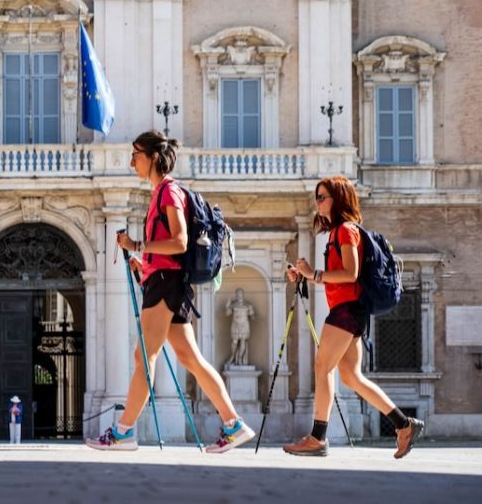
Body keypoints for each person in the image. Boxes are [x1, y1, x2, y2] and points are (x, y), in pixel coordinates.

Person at [86, 130, 255, 453]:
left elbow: (179, 242)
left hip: (166, 283)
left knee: (143, 357)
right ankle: (234, 424)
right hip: (164, 280)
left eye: (136, 154)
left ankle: (123, 433)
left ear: (152, 157)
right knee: (190, 357)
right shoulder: (161, 194)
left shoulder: (168, 193)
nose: (131, 161)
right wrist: (143, 262)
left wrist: (138, 245)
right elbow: (168, 248)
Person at [284, 176, 423, 458]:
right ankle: (404, 424)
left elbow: (351, 274)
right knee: (352, 376)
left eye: (322, 197)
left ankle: (317, 438)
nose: (317, 202)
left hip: (347, 309)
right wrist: (304, 276)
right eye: (317, 197)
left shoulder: (346, 231)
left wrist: (314, 274)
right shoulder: (336, 232)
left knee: (322, 367)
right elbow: (338, 278)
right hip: (349, 309)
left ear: (339, 199)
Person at [226, 288, 255, 368]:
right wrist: (228, 306)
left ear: (242, 295)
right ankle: (233, 357)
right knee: (234, 342)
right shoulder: (233, 304)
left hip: (244, 324)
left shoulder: (247, 304)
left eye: (240, 294)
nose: (239, 296)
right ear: (236, 295)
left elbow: (252, 316)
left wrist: (252, 313)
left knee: (243, 341)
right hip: (235, 324)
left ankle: (240, 359)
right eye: (237, 294)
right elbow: (228, 313)